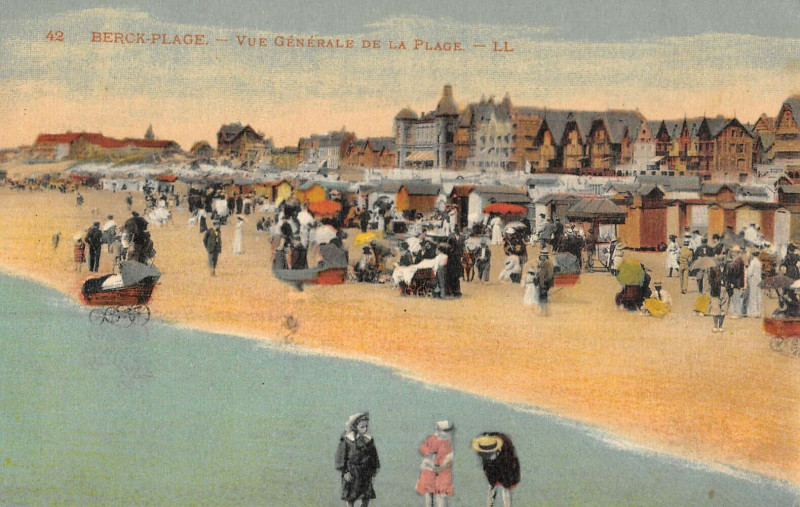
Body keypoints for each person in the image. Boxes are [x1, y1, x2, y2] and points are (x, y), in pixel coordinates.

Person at [335, 412, 380, 507]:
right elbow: (340, 457)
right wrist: (345, 472)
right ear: (355, 427)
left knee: (366, 496)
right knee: (351, 497)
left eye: (366, 426)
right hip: (352, 473)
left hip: (366, 473)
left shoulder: (369, 441)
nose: (365, 429)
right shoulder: (347, 440)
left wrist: (374, 469)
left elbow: (374, 456)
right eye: (362, 427)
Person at [471, 433, 520, 507]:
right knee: (492, 486)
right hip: (494, 465)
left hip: (507, 465)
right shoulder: (484, 449)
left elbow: (509, 472)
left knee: (506, 487)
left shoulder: (507, 452)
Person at [416, 420, 454, 507]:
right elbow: (423, 447)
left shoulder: (447, 442)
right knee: (429, 494)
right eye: (443, 430)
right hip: (429, 471)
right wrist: (429, 452)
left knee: (440, 495)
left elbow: (448, 457)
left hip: (441, 471)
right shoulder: (432, 439)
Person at [708, 254, 728, 332]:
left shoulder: (728, 269)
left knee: (724, 308)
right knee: (715, 308)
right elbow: (710, 280)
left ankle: (721, 326)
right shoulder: (713, 268)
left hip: (725, 289)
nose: (722, 262)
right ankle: (715, 326)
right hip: (715, 290)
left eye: (723, 260)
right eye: (720, 260)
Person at [535, 251, 555, 316]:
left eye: (541, 256)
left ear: (545, 256)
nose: (540, 257)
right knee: (542, 297)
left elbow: (550, 274)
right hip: (542, 283)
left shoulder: (548, 263)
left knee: (543, 297)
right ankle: (543, 311)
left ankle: (544, 311)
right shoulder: (543, 262)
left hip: (545, 283)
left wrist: (545, 281)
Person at [745, 250, 763, 317]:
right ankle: (759, 311)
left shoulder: (753, 262)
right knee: (758, 295)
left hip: (753, 279)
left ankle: (754, 312)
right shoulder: (759, 262)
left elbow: (749, 272)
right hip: (758, 279)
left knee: (753, 296)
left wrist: (746, 278)